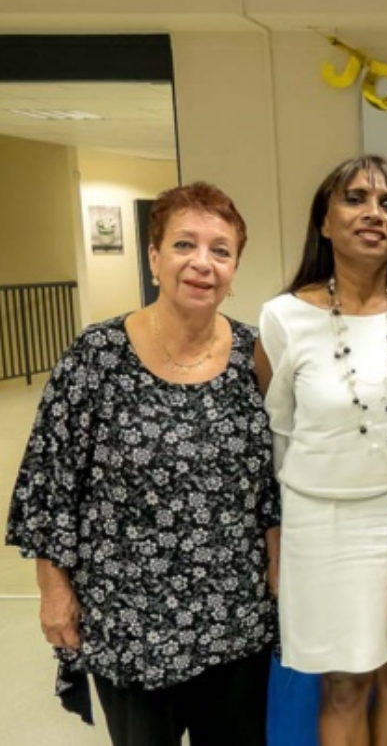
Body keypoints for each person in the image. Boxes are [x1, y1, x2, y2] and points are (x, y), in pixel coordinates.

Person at [5, 182, 277, 746]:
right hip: (130, 617)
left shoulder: (256, 356)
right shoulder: (97, 354)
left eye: (220, 251)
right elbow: (50, 482)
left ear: (234, 269)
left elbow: (273, 482)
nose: (202, 263)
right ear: (154, 258)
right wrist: (54, 591)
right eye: (184, 245)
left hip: (235, 614)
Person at [256, 155, 387, 746]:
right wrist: (276, 543)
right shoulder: (283, 318)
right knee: (343, 684)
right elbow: (279, 435)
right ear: (324, 221)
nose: (373, 214)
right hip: (323, 525)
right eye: (355, 199)